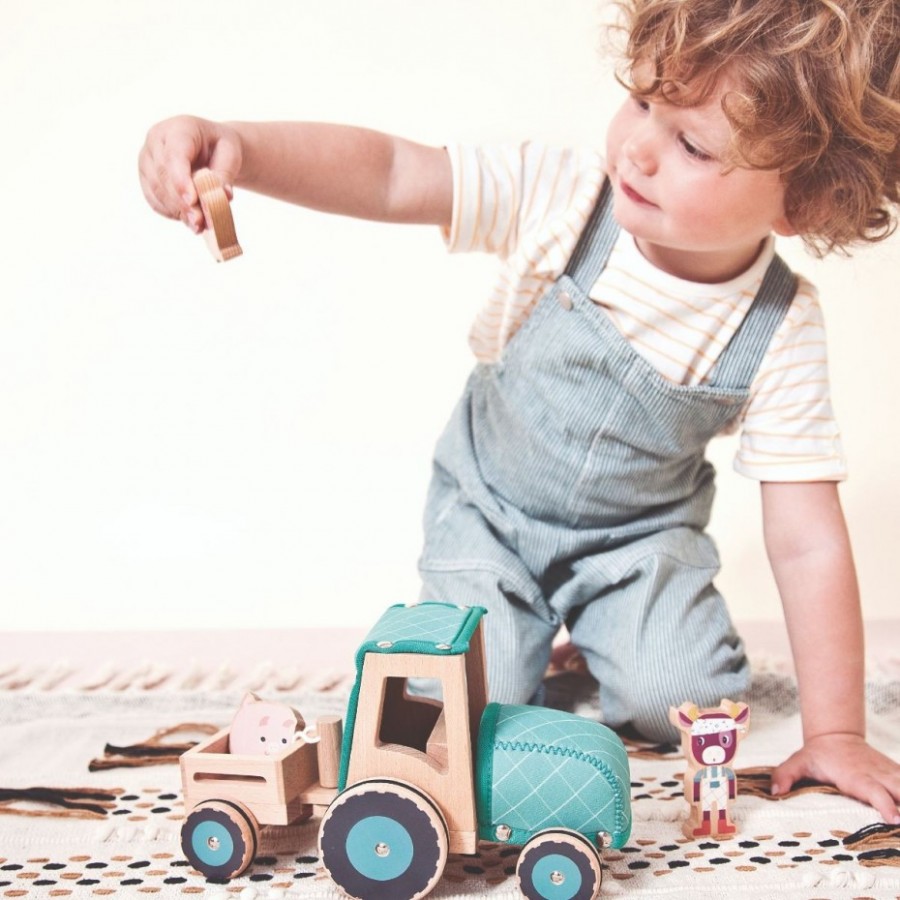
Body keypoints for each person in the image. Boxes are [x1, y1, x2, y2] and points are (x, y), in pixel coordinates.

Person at [138, 0, 900, 822]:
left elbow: (807, 539)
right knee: (462, 707)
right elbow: (393, 172)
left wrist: (836, 731)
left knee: (683, 704)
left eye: (692, 145)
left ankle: (594, 636)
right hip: (489, 515)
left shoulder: (781, 325)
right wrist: (243, 149)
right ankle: (519, 630)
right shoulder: (564, 197)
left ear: (805, 202)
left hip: (638, 544)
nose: (638, 148)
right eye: (642, 100)